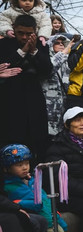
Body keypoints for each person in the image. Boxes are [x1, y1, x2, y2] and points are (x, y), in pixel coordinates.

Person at [0, 15, 53, 158]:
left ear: (35, 32)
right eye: (20, 33)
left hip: (33, 96)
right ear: (14, 30)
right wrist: (23, 51)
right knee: (11, 139)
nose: (24, 37)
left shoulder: (41, 46)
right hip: (9, 98)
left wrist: (34, 51)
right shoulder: (4, 44)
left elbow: (47, 70)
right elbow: (5, 66)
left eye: (28, 34)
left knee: (36, 139)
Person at [42, 34, 72, 137]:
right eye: (57, 43)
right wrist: (63, 53)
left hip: (63, 102)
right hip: (48, 103)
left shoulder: (66, 60)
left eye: (62, 43)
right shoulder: (45, 58)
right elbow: (49, 69)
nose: (61, 45)